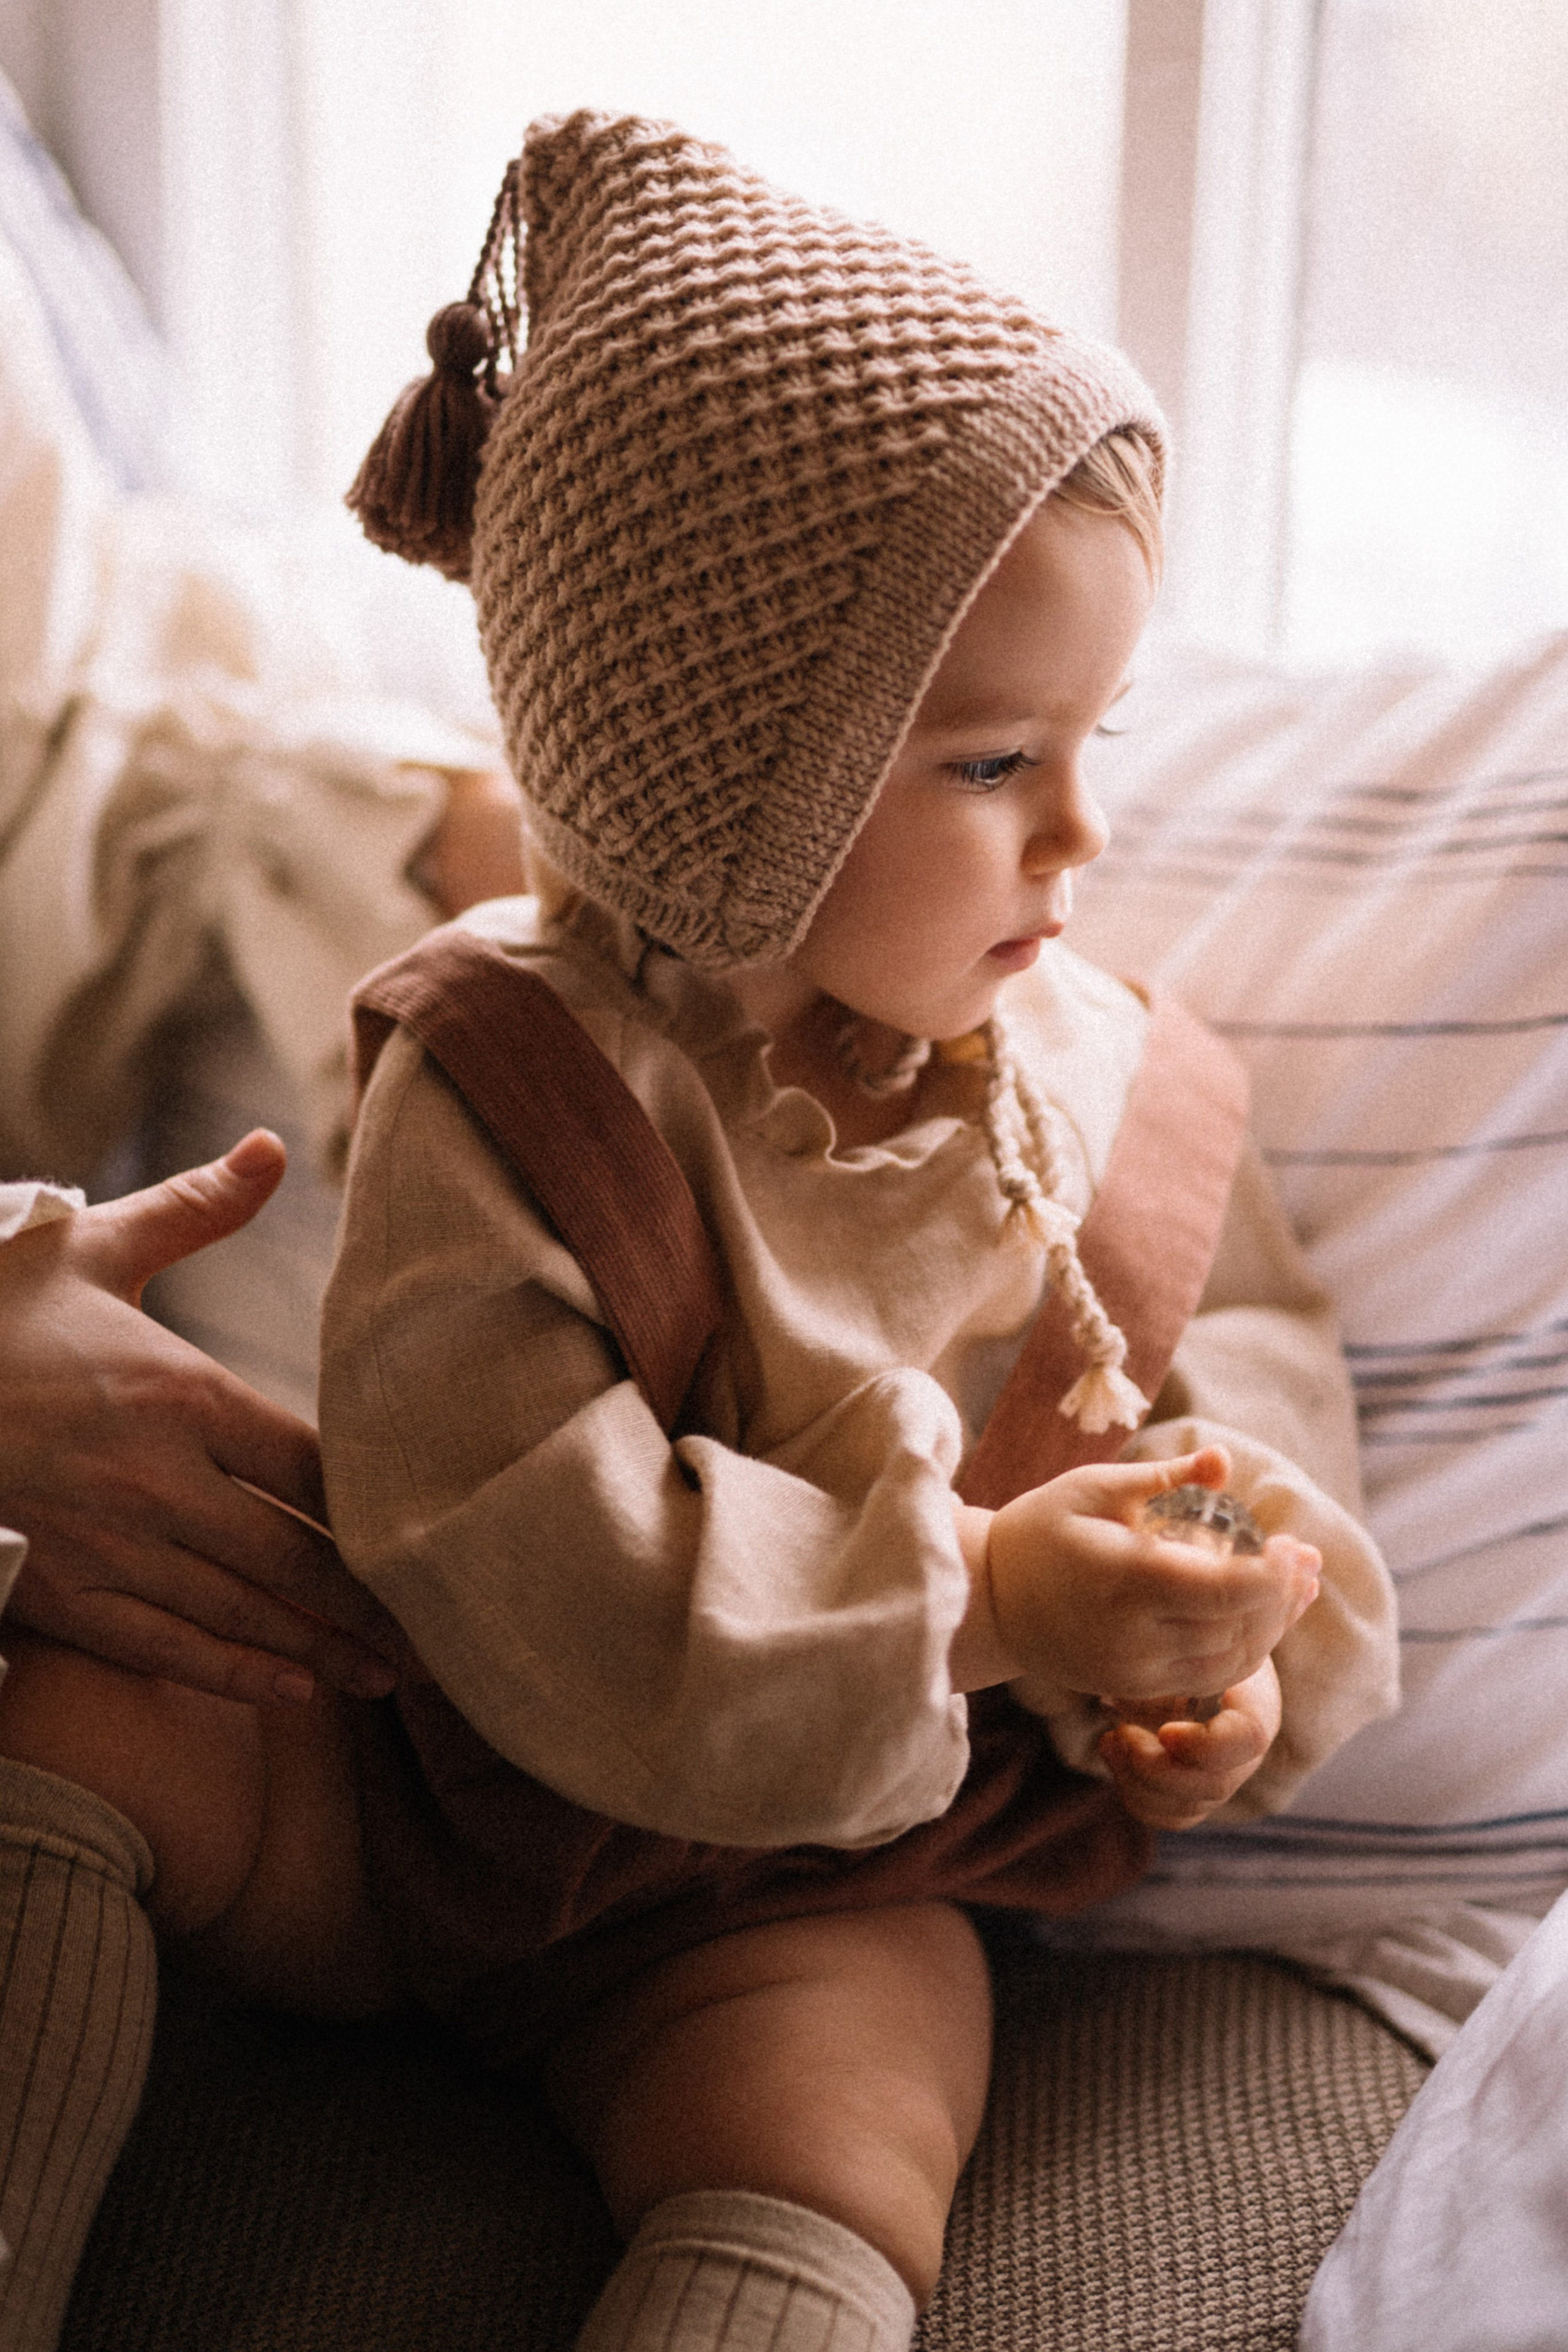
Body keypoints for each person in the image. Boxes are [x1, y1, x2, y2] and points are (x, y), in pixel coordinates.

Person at [0, 111, 1398, 2352]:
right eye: (991, 764)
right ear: (724, 786)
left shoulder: (1113, 1093)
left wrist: (1220, 1663)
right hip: (409, 1780)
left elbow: (1253, 1404)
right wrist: (983, 1597)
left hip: (793, 1893)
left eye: (1095, 740)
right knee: (95, 1699)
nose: (1085, 831)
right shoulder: (508, 1081)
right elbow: (525, 1544)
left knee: (848, 2113)